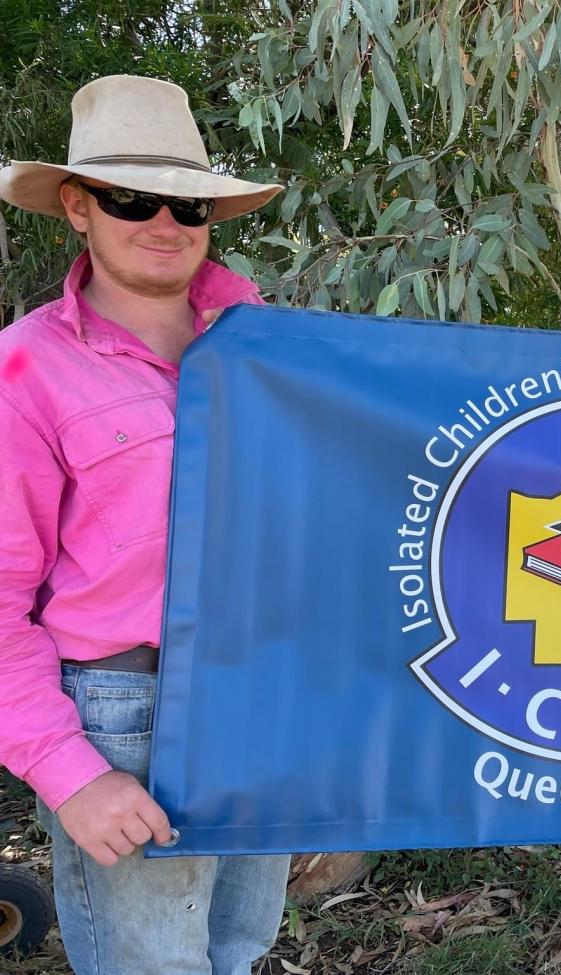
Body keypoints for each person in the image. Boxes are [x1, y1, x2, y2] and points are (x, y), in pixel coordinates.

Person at [0, 75, 289, 974]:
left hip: (268, 689)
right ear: (79, 207)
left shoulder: (280, 350)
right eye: (132, 197)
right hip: (125, 712)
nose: (166, 222)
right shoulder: (26, 371)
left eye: (188, 203)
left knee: (241, 947)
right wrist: (72, 773)